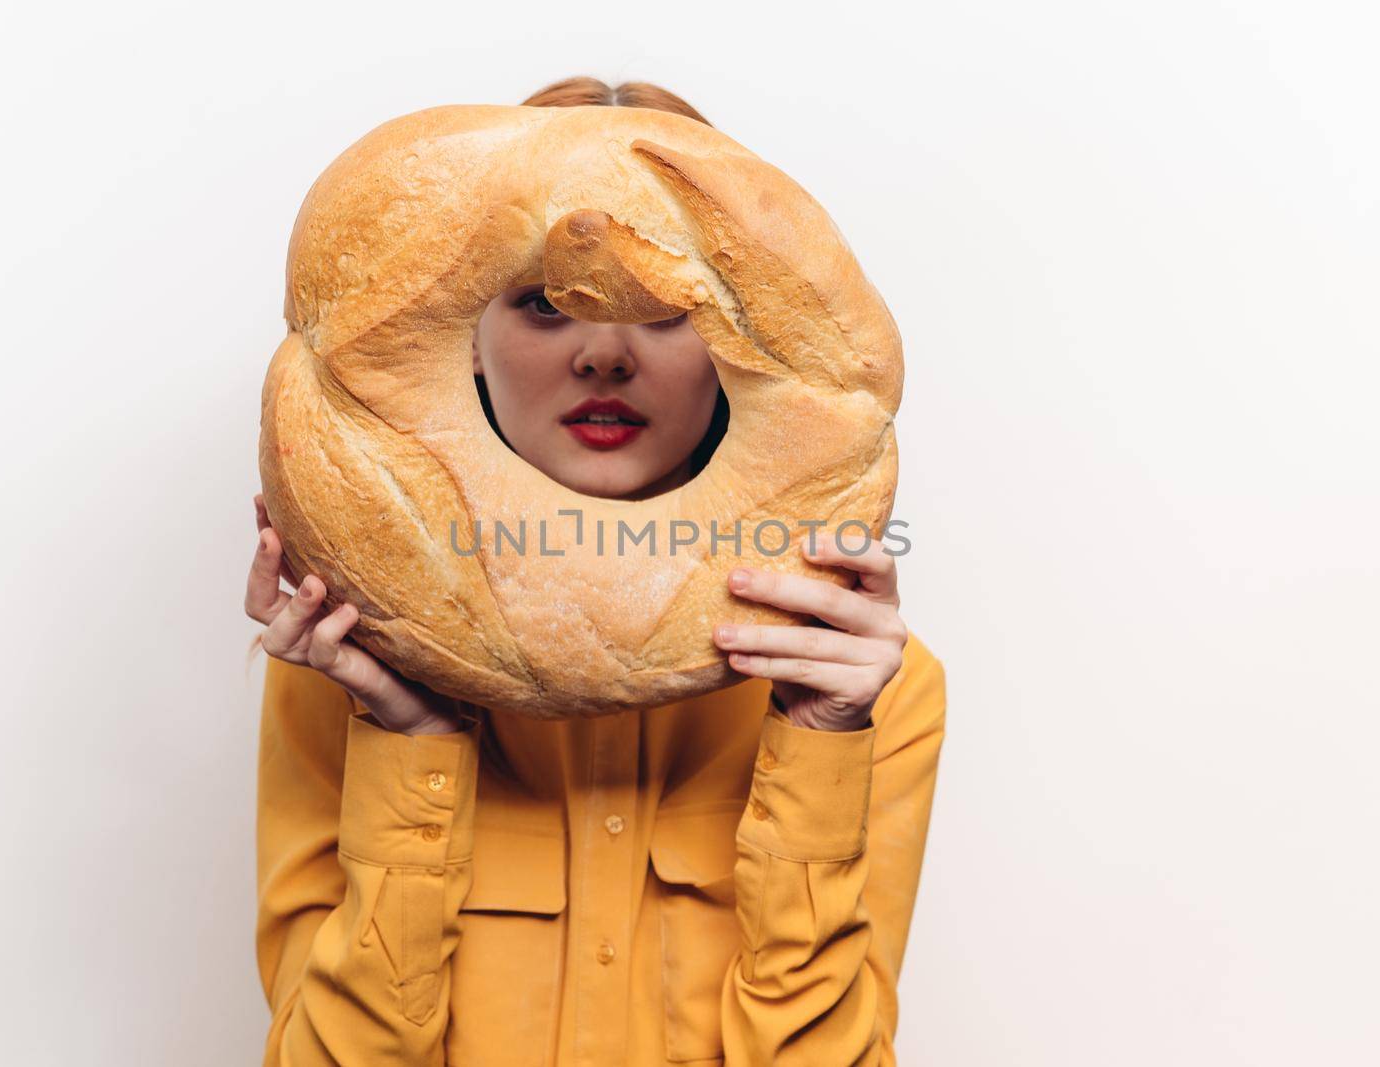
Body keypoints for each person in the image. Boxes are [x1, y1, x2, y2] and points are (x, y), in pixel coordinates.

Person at [245, 76, 948, 1067]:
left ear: (734, 352)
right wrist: (414, 735)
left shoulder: (867, 686)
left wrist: (819, 741)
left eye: (665, 310)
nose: (604, 356)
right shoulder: (348, 666)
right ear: (467, 347)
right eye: (542, 304)